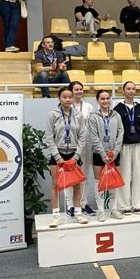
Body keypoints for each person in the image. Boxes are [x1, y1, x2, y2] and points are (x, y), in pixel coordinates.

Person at [45, 87, 88, 228]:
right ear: (59, 98)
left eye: (70, 97)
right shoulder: (53, 114)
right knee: (56, 185)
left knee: (77, 184)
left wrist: (76, 157)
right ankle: (56, 216)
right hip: (58, 153)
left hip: (74, 154)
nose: (68, 100)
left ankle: (78, 212)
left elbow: (82, 136)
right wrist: (57, 157)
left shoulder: (78, 115)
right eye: (64, 97)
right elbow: (49, 137)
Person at [114, 81, 140, 215]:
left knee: (139, 174)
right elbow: (115, 129)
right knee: (123, 175)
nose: (131, 91)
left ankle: (139, 204)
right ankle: (124, 205)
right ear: (123, 91)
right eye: (128, 89)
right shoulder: (118, 109)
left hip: (139, 145)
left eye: (133, 89)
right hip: (123, 146)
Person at [89, 90, 124, 221]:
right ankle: (101, 211)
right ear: (98, 100)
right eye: (102, 99)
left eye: (107, 98)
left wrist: (115, 151)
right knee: (99, 182)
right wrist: (103, 154)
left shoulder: (116, 115)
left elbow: (121, 133)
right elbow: (94, 136)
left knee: (114, 183)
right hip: (99, 154)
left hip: (114, 154)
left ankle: (114, 209)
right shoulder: (93, 116)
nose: (105, 101)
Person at [64, 81, 96, 217]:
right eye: (76, 89)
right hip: (70, 145)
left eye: (80, 89)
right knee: (70, 175)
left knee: (84, 175)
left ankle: (83, 203)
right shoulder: (65, 106)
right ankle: (70, 205)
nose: (79, 92)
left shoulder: (88, 106)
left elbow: (93, 125)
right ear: (71, 91)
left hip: (86, 144)